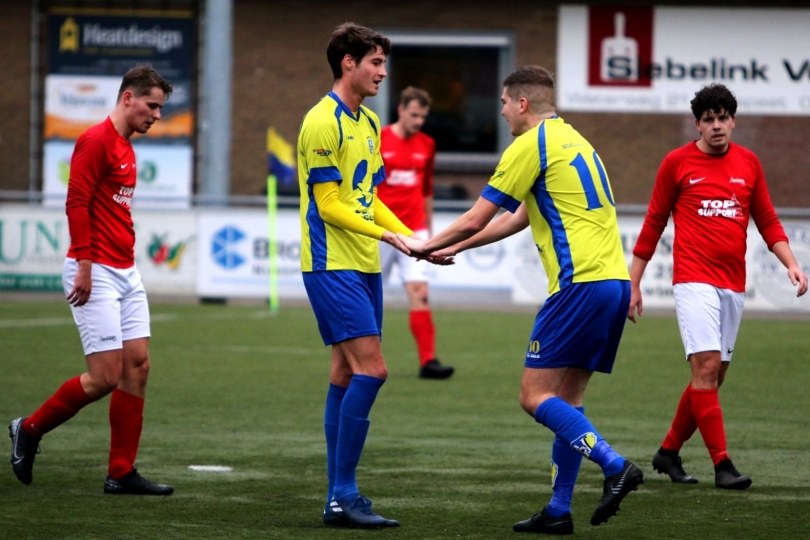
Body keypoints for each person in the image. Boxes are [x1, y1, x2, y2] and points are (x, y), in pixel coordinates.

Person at [403, 65, 643, 534]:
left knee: (534, 396)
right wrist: (455, 247)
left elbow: (477, 215)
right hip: (613, 283)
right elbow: (518, 218)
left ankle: (615, 466)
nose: (502, 111)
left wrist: (423, 245)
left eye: (503, 103)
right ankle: (559, 510)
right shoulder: (575, 140)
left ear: (522, 104)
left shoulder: (528, 144)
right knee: (567, 402)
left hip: (579, 285)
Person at [297, 22, 448, 529]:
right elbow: (330, 205)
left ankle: (338, 495)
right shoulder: (323, 122)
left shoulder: (366, 122)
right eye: (376, 63)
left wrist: (411, 238)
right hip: (331, 264)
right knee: (373, 370)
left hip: (362, 264)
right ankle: (343, 493)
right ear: (348, 63)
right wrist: (389, 238)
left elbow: (370, 198)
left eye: (384, 63)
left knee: (345, 372)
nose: (383, 72)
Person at [628, 83, 808, 490]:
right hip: (693, 281)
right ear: (697, 125)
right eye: (708, 119)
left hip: (732, 285)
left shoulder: (749, 164)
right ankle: (722, 465)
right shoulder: (676, 163)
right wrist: (633, 283)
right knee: (706, 368)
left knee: (712, 377)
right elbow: (654, 223)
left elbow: (767, 220)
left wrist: (792, 264)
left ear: (733, 121)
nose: (716, 126)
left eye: (723, 118)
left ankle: (669, 452)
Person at [8, 64, 174, 495]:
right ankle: (28, 428)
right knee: (104, 376)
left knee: (137, 367)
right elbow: (76, 202)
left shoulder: (126, 145)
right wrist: (83, 264)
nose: (156, 115)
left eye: (160, 108)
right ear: (128, 99)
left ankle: (121, 472)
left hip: (125, 269)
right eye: (152, 106)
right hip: (94, 269)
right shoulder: (95, 140)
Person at [377, 86, 454, 380]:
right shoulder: (378, 139)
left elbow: (426, 189)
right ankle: (364, 358)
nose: (418, 121)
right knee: (371, 295)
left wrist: (428, 230)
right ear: (400, 110)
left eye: (422, 116)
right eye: (414, 115)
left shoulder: (427, 144)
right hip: (381, 231)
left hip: (414, 230)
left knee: (420, 294)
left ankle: (428, 361)